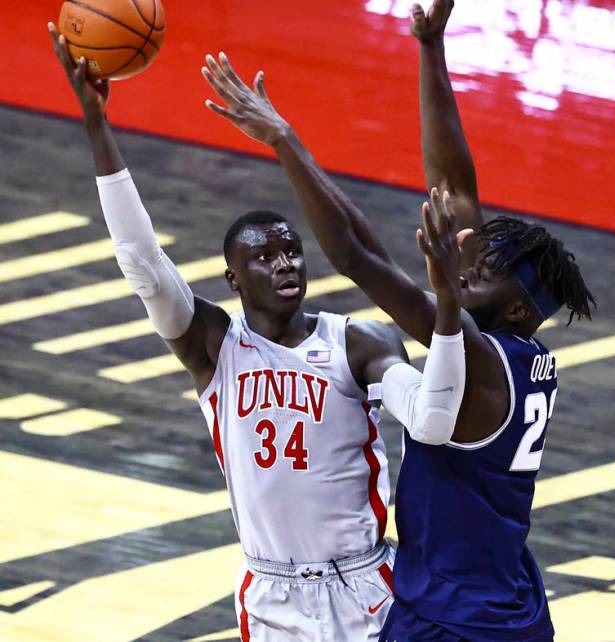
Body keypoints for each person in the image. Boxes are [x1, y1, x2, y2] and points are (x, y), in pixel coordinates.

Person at [49, 23, 469, 642]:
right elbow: (141, 262)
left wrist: (449, 313)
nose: (284, 264)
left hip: (366, 586)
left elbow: (430, 419)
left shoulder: (357, 344)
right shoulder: (215, 348)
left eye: (291, 251)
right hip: (270, 593)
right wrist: (96, 124)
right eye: (265, 257)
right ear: (233, 277)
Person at [200, 0, 595, 635]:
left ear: (517, 306)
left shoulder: (476, 355)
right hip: (511, 595)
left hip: (452, 614)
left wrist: (284, 139)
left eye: (482, 271)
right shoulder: (518, 348)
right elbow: (454, 186)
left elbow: (355, 255)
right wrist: (431, 48)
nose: (465, 267)